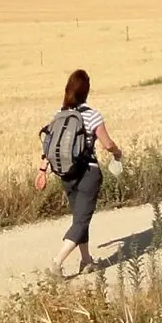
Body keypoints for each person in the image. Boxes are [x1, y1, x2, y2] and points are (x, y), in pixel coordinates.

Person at [37, 69, 124, 276]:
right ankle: (56, 263)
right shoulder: (92, 115)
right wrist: (118, 153)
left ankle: (86, 261)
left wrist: (42, 170)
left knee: (79, 217)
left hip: (66, 173)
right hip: (88, 173)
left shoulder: (59, 115)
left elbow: (49, 145)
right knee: (82, 220)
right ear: (87, 91)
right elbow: (107, 144)